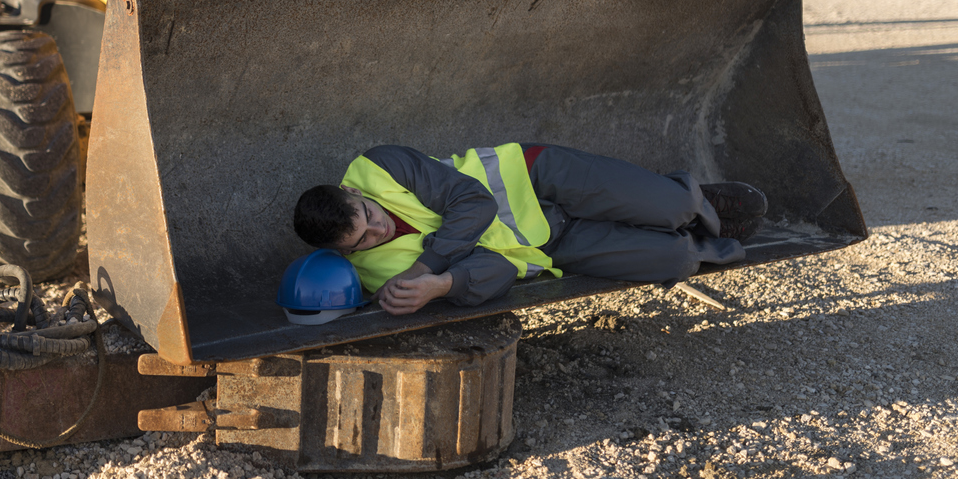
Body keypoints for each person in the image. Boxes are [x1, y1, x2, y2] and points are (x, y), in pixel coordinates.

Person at [292, 143, 766, 316]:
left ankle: (693, 202)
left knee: (674, 204)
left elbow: (472, 201)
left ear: (351, 192)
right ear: (347, 253)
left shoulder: (379, 164)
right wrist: (443, 285)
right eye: (365, 239)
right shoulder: (377, 276)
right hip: (551, 246)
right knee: (677, 261)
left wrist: (428, 264)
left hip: (541, 179)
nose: (378, 228)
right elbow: (496, 271)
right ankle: (700, 233)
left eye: (370, 214)